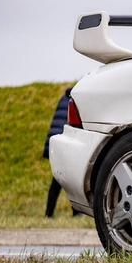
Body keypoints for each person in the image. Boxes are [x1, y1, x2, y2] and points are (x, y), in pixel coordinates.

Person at [44, 87, 74, 217]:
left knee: (57, 179)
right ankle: (76, 212)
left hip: (55, 143)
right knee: (71, 179)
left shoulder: (63, 98)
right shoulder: (75, 100)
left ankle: (49, 213)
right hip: (64, 144)